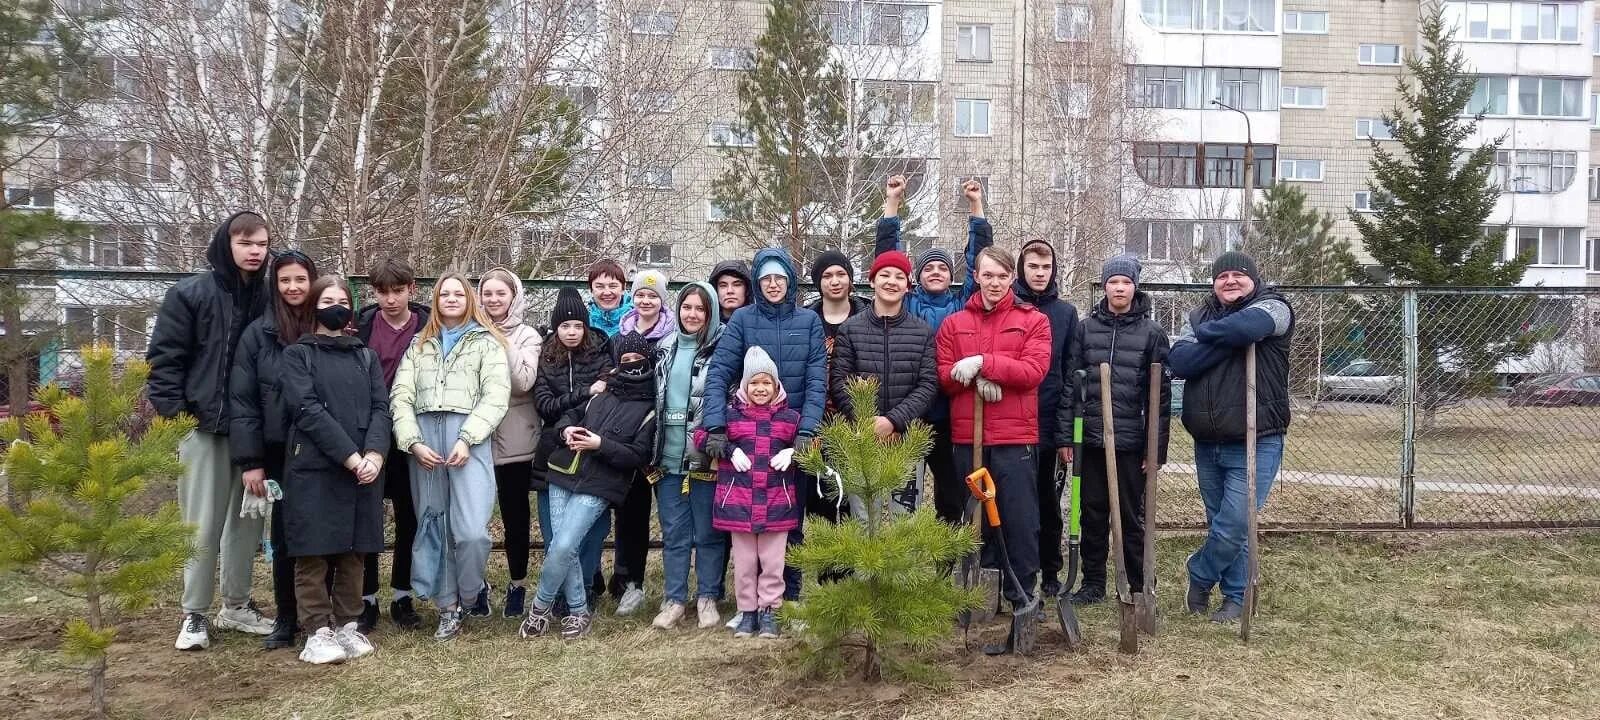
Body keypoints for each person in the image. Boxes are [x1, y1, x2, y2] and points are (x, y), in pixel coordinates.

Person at [147, 211, 276, 651]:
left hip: (254, 431)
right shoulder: (190, 294)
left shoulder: (269, 296)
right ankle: (195, 613)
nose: (255, 251)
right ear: (227, 243)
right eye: (246, 243)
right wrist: (178, 419)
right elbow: (164, 360)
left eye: (261, 244)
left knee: (246, 525)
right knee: (201, 526)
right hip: (204, 429)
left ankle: (237, 605)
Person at [1167, 251, 1294, 623]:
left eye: (1239, 275)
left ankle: (1200, 573)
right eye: (1222, 276)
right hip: (1207, 440)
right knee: (1221, 523)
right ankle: (1235, 597)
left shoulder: (1275, 307)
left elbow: (1247, 328)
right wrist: (1229, 339)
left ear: (1254, 279)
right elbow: (1181, 362)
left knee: (1235, 524)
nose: (1230, 281)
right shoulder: (1197, 315)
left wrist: (1210, 336)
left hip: (1258, 437)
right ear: (1213, 283)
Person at [389, 272, 510, 640]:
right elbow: (401, 396)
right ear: (436, 300)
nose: (452, 299)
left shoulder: (487, 342)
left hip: (468, 439)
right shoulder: (419, 343)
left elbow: (495, 395)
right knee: (434, 524)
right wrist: (413, 442)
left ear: (469, 299)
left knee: (472, 531)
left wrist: (468, 438)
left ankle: (471, 591)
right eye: (445, 294)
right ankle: (448, 607)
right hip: (426, 440)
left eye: (459, 293)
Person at [702, 247, 826, 604]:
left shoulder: (808, 322)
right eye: (766, 278)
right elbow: (719, 373)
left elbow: (816, 380)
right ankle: (750, 601)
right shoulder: (743, 320)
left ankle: (790, 597)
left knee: (791, 519)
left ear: (790, 282)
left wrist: (807, 431)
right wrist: (716, 425)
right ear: (757, 282)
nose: (773, 284)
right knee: (747, 521)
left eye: (779, 278)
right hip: (749, 435)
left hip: (790, 435)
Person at [277, 276, 389, 665]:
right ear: (313, 306)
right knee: (314, 550)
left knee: (354, 551)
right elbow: (306, 409)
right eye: (327, 301)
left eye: (342, 300)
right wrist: (351, 457)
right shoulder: (298, 355)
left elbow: (381, 407)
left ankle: (347, 625)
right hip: (315, 466)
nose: (335, 307)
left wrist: (375, 454)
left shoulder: (365, 356)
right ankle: (317, 631)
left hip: (364, 468)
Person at [520, 333, 659, 640]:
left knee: (564, 545)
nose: (632, 364)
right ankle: (579, 611)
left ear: (648, 362)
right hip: (562, 472)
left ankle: (540, 607)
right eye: (626, 360)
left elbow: (637, 455)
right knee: (561, 546)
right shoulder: (602, 390)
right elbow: (568, 415)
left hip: (601, 483)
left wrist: (600, 444)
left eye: (638, 360)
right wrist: (566, 430)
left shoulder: (650, 406)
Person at [936, 246, 1052, 610]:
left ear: (1012, 278)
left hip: (1015, 439)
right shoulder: (954, 324)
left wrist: (984, 363)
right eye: (988, 275)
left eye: (1002, 276)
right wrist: (973, 377)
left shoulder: (1033, 321)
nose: (995, 283)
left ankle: (1022, 594)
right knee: (976, 520)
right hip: (967, 438)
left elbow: (1034, 371)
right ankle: (982, 597)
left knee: (1019, 520)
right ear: (976, 277)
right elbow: (944, 376)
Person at [875, 176, 989, 525]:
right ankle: (903, 551)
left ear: (952, 275)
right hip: (908, 413)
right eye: (928, 268)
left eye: (942, 267)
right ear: (917, 277)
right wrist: (893, 202)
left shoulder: (962, 304)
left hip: (948, 416)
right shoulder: (905, 304)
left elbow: (979, 259)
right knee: (903, 496)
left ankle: (945, 554)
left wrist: (975, 205)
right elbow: (888, 258)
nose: (936, 272)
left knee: (951, 498)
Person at [1057, 255, 1170, 606]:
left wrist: (1155, 450)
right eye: (1113, 282)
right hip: (1091, 439)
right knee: (1092, 512)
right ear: (1104, 286)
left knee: (1131, 515)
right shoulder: (1086, 329)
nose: (1119, 288)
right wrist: (1066, 437)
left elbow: (1160, 398)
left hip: (1129, 443)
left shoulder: (1152, 333)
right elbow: (1071, 385)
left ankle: (1138, 583)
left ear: (1135, 287)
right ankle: (1093, 583)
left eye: (1126, 282)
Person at [229, 250, 318, 650]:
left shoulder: (326, 325)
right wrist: (251, 461)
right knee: (283, 537)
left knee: (322, 534)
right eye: (285, 280)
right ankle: (286, 617)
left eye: (300, 279)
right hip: (279, 450)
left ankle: (321, 612)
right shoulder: (258, 334)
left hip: (324, 449)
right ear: (275, 285)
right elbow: (244, 401)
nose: (293, 287)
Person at [697, 347, 801, 639]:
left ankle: (770, 610)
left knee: (772, 562)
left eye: (766, 382)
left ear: (776, 386)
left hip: (777, 504)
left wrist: (795, 451)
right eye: (754, 382)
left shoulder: (790, 418)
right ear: (744, 385)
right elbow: (702, 435)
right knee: (744, 563)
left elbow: (814, 440)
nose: (760, 388)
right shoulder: (730, 417)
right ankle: (747, 611)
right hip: (739, 503)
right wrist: (729, 450)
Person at [830, 249, 938, 517]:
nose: (892, 282)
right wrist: (869, 423)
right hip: (862, 441)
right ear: (872, 281)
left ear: (908, 286)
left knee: (906, 523)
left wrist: (892, 422)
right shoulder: (850, 329)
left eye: (899, 277)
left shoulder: (922, 331)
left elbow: (927, 385)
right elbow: (839, 382)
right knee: (865, 521)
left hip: (905, 440)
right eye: (885, 275)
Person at [355, 258, 429, 631]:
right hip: (371, 430)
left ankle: (403, 595)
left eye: (397, 291)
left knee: (409, 515)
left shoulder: (429, 325)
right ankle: (366, 599)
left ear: (411, 289)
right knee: (368, 516)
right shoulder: (361, 326)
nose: (390, 299)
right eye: (382, 292)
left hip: (413, 432)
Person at [648, 282, 728, 630]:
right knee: (674, 532)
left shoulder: (723, 348)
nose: (692, 314)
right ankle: (675, 599)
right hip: (667, 455)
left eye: (700, 309)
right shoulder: (664, 348)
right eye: (687, 307)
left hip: (705, 456)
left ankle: (708, 596)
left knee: (708, 532)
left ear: (710, 314)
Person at [1006, 227, 1080, 599]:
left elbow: (1070, 373)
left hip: (1050, 423)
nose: (1039, 273)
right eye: (1033, 266)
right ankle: (1015, 568)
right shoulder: (1008, 307)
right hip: (1012, 421)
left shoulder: (1065, 314)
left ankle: (1050, 568)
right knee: (1016, 502)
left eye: (1046, 267)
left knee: (1048, 500)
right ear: (1021, 268)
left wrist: (1064, 433)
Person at [531, 287, 614, 612]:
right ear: (556, 328)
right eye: (565, 326)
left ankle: (585, 588)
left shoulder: (601, 355)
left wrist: (587, 398)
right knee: (555, 532)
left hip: (590, 449)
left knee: (592, 530)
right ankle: (560, 595)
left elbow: (604, 400)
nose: (571, 332)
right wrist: (584, 392)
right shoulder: (546, 357)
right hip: (552, 450)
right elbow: (545, 405)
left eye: (578, 325)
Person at [610, 269, 676, 613]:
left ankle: (675, 588)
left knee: (671, 515)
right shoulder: (620, 335)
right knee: (630, 514)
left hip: (663, 436)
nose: (646, 300)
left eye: (653, 295)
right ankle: (630, 581)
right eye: (640, 295)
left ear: (662, 300)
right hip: (629, 438)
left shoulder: (673, 336)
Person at [479, 267, 543, 618]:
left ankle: (517, 584)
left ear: (514, 296)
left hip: (516, 437)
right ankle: (476, 585)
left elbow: (522, 382)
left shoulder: (527, 335)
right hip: (475, 437)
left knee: (515, 515)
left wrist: (499, 338)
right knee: (472, 519)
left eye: (500, 293)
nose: (493, 300)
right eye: (487, 294)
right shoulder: (468, 330)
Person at [586, 259, 632, 337]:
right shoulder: (583, 324)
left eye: (613, 286)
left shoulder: (637, 321)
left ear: (623, 288)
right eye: (600, 286)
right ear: (591, 290)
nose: (607, 292)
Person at [709, 260, 752, 324]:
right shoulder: (704, 325)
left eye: (737, 285)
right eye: (723, 286)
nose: (730, 291)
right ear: (715, 290)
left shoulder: (761, 323)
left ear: (747, 289)